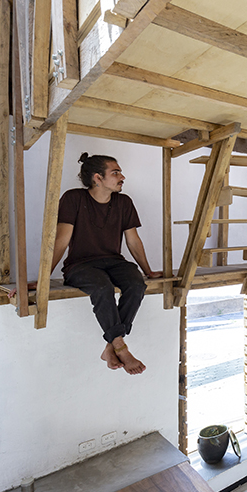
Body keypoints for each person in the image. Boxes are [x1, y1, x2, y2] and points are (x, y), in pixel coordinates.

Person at [40, 153, 162, 374]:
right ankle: (121, 348)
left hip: (114, 262)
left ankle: (111, 345)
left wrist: (148, 271)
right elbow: (61, 239)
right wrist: (42, 279)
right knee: (102, 287)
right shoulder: (73, 198)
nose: (122, 177)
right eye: (115, 173)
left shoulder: (124, 202)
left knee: (136, 284)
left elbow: (133, 240)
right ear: (97, 177)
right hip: (80, 265)